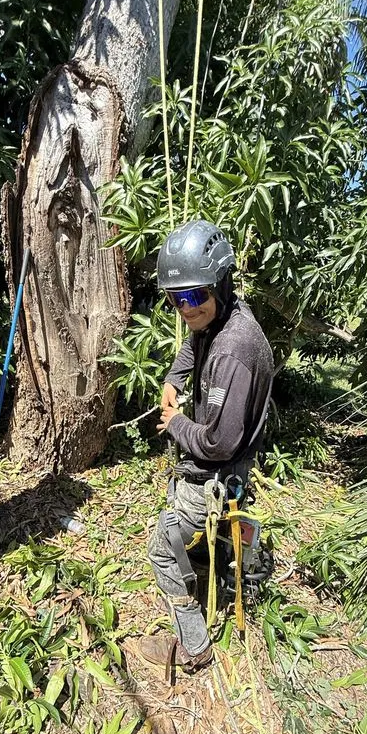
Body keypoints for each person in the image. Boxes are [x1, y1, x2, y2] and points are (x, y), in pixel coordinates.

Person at [137, 220, 274, 674]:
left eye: (195, 296)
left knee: (161, 549)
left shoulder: (234, 349)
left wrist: (175, 423)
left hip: (213, 472)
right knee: (206, 535)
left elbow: (216, 441)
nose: (185, 308)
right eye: (176, 298)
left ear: (221, 282)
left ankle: (194, 646)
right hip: (230, 470)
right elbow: (194, 346)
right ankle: (222, 570)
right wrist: (173, 380)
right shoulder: (224, 317)